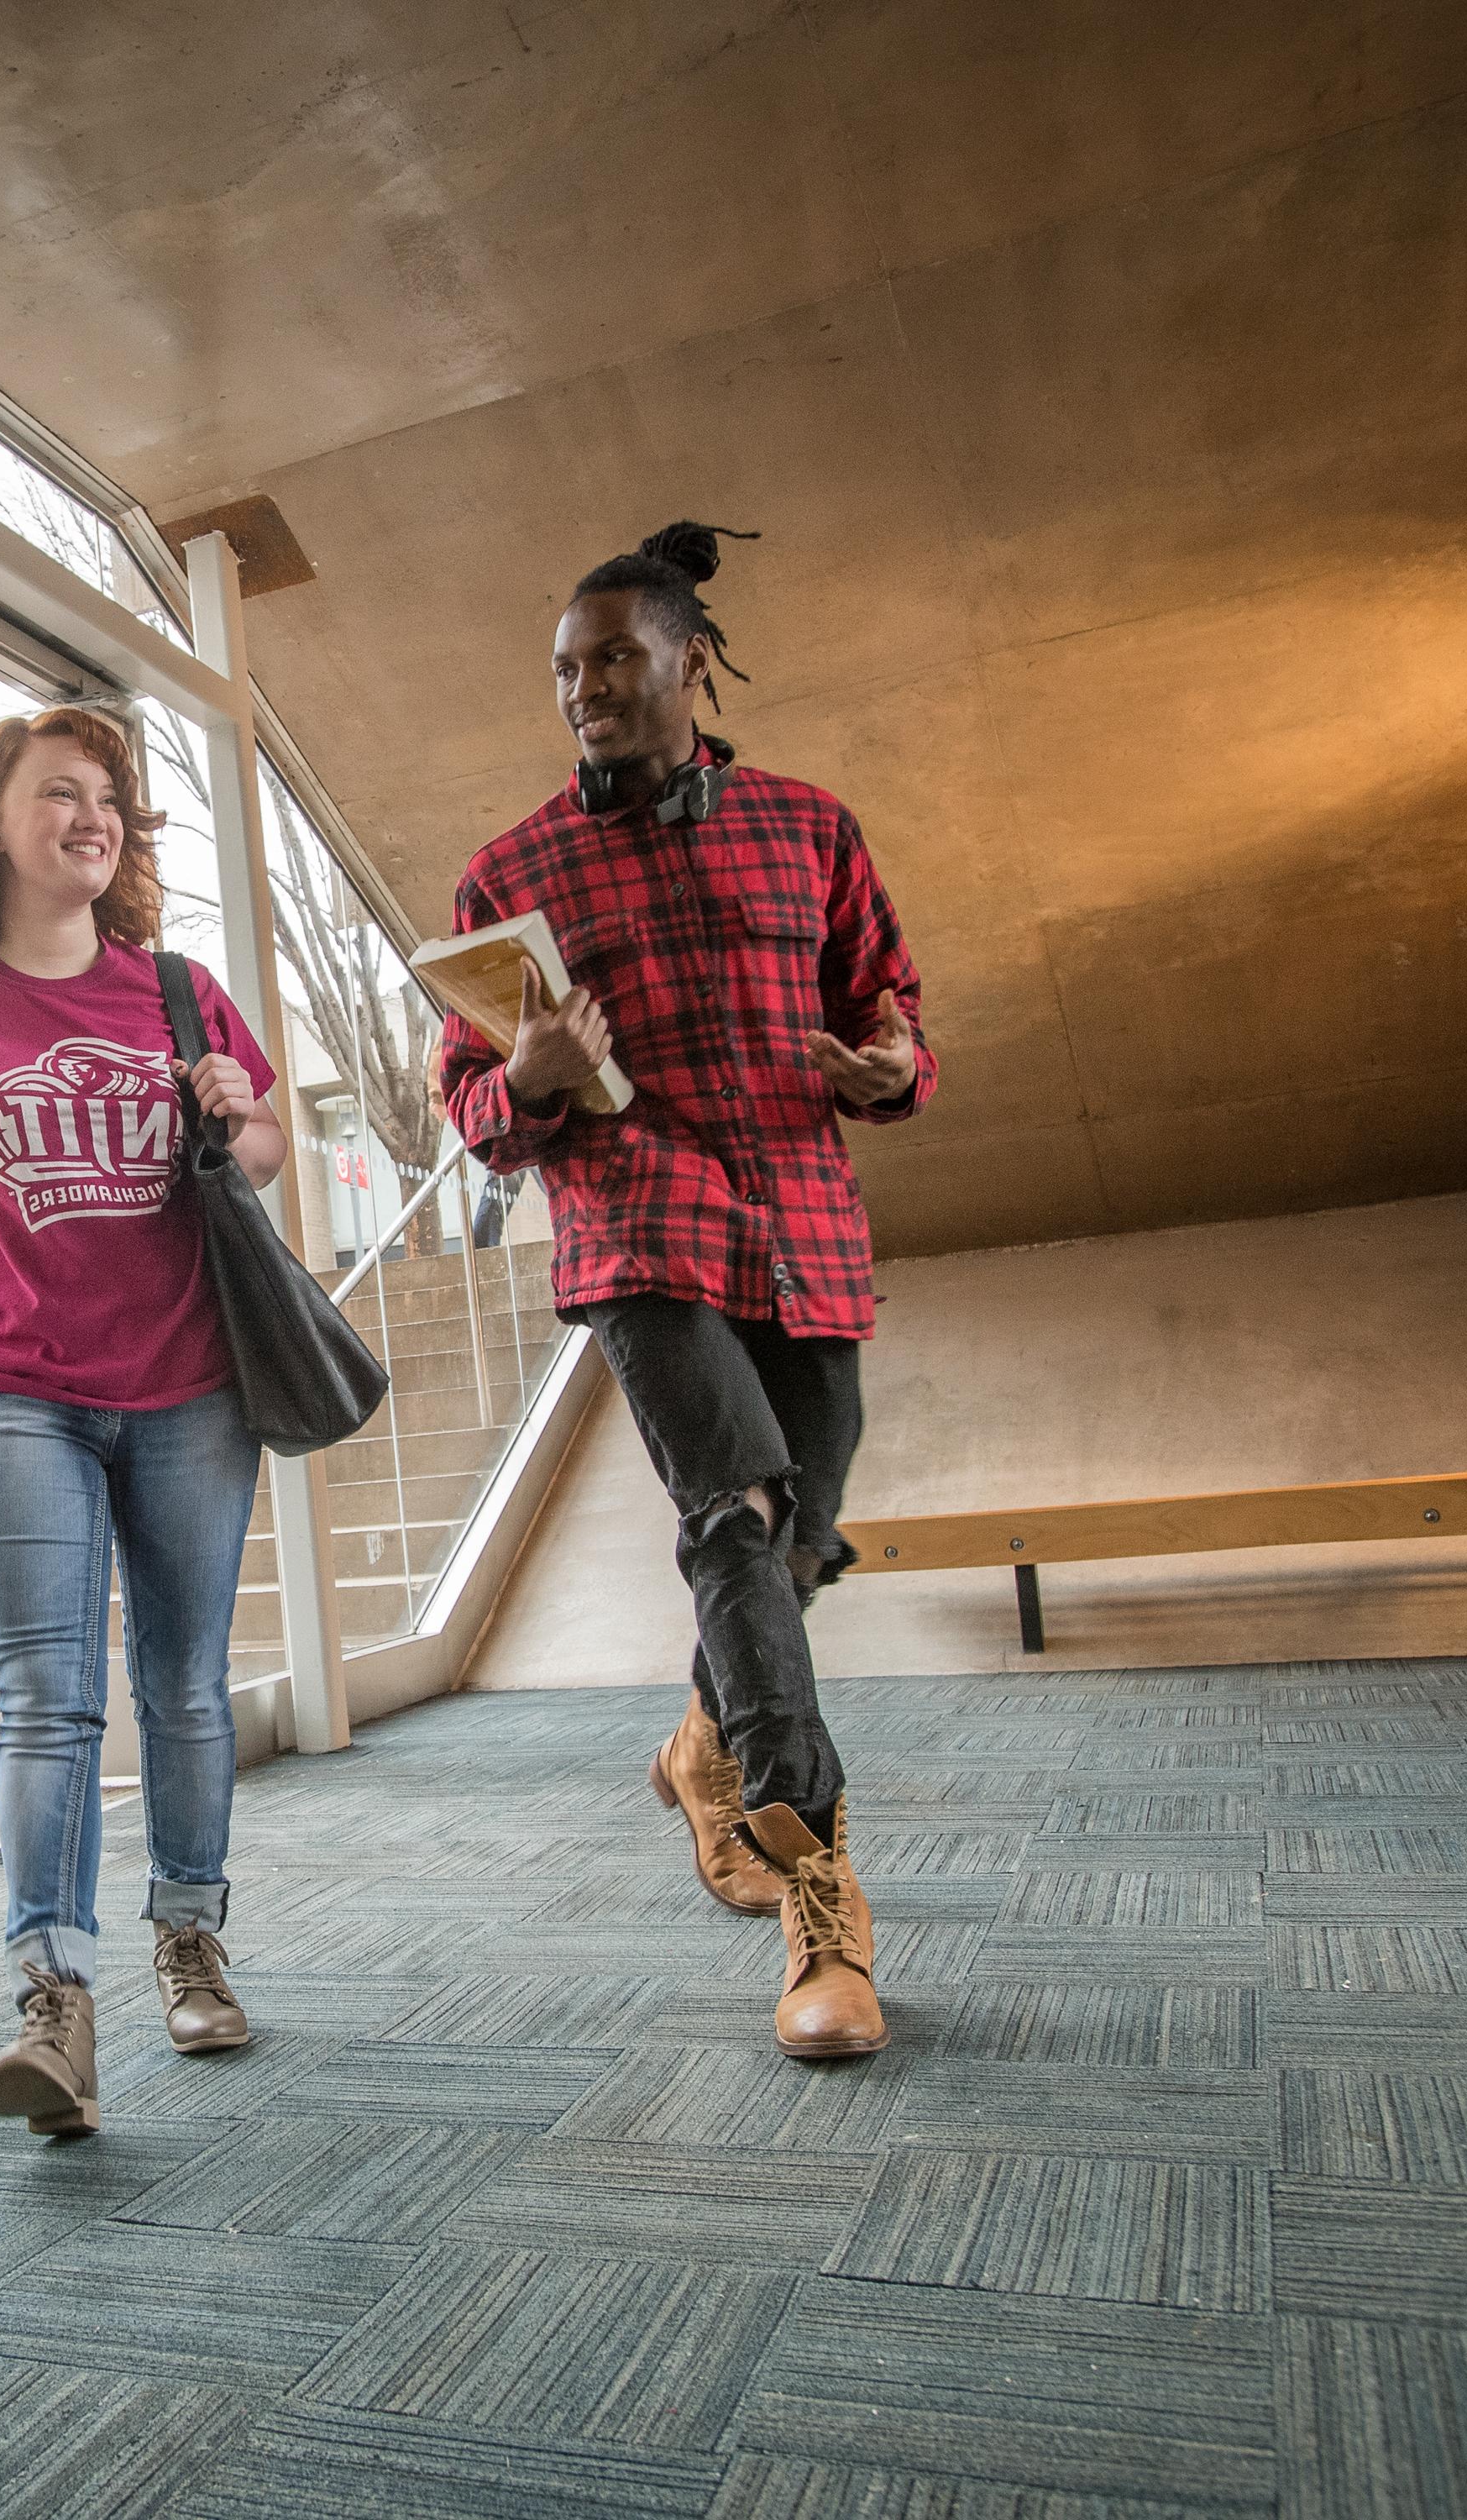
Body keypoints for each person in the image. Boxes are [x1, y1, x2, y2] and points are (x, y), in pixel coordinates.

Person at [435, 521, 934, 2061]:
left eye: (613, 660)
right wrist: (525, 1079)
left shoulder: (809, 827)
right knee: (736, 1518)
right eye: (564, 672)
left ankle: (702, 1740)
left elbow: (891, 1005)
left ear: (690, 662)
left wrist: (894, 1063)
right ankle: (822, 1911)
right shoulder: (508, 872)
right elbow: (469, 1108)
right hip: (636, 1227)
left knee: (805, 1539)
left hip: (801, 1224)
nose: (585, 689)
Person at [0, 704, 290, 2138]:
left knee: (185, 1684)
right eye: (59, 794)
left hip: (189, 1390)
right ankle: (54, 1996)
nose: (92, 816)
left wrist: (239, 1108)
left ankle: (188, 1936)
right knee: (49, 1694)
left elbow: (270, 1148)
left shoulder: (178, 990)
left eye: (109, 796)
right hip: (16, 1393)